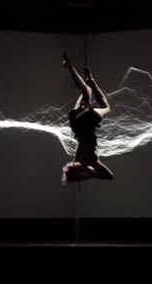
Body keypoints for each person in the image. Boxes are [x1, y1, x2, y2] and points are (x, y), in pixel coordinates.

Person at [61, 50, 114, 185]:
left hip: (87, 124)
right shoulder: (77, 160)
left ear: (81, 173)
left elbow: (109, 176)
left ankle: (92, 80)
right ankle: (70, 67)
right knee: (86, 91)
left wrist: (90, 175)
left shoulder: (91, 161)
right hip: (75, 124)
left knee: (106, 107)